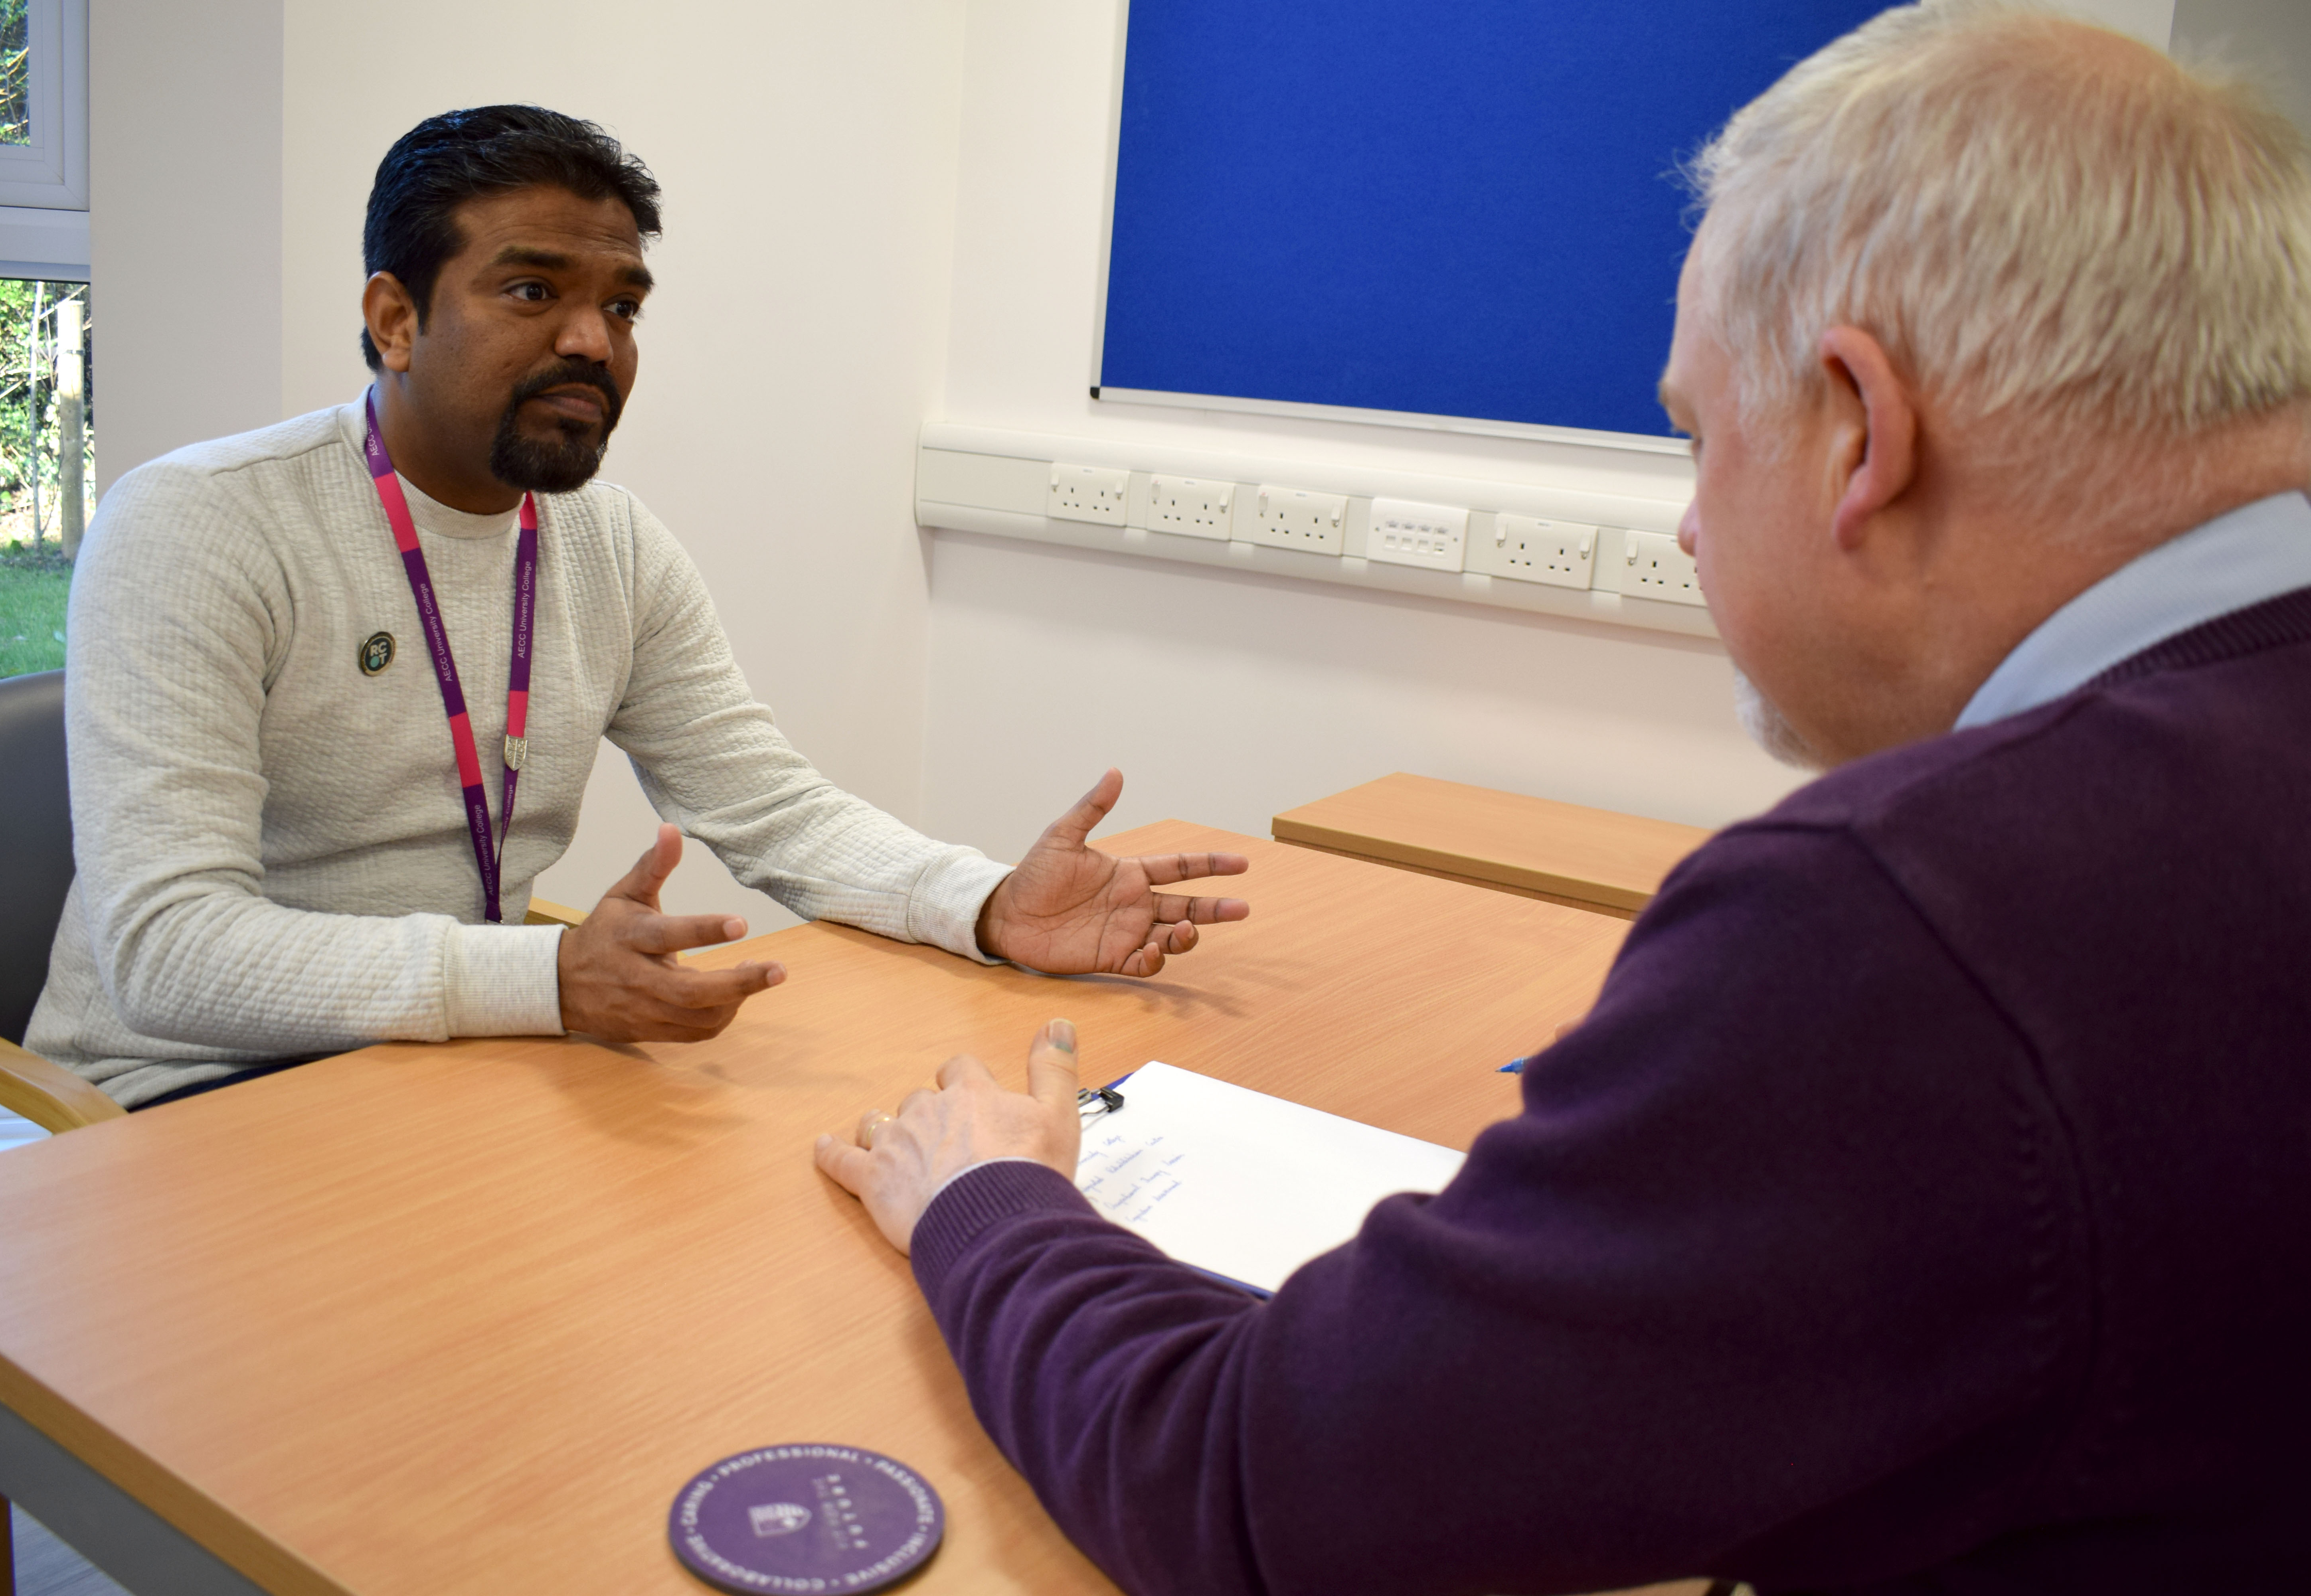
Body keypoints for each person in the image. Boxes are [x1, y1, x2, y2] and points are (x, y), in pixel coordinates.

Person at [816, 6, 2311, 1592]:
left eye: (1694, 437)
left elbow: (1254, 1494)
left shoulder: (1911, 916)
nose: (1684, 529)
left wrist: (992, 1201)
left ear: (1860, 431)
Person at [28, 106, 1247, 1110]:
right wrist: (545, 979)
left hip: (448, 1064)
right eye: (530, 292)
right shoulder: (199, 525)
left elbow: (771, 807)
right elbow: (166, 954)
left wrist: (981, 903)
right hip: (179, 1099)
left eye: (621, 306)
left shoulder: (606, 543)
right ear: (395, 319)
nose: (592, 343)